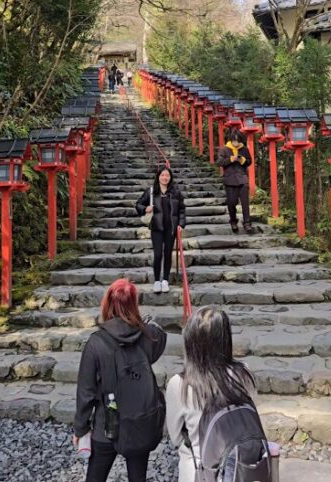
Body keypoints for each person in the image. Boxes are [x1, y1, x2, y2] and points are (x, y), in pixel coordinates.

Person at [73, 279, 168, 482]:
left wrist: (81, 428)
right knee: (137, 477)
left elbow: (86, 392)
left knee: (95, 477)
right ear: (134, 304)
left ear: (107, 303)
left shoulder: (96, 344)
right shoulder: (148, 336)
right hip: (140, 421)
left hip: (106, 423)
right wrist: (142, 321)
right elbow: (161, 335)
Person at [166, 307, 271, 482]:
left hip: (198, 472)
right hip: (240, 469)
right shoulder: (243, 373)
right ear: (225, 338)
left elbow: (176, 437)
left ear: (190, 341)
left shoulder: (179, 385)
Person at [135, 165, 186, 293]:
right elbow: (138, 204)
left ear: (170, 177)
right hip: (156, 228)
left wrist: (181, 224)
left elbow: (182, 209)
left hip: (171, 228)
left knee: (168, 254)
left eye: (167, 175)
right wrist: (144, 209)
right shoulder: (151, 191)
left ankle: (165, 281)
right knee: (158, 255)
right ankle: (157, 280)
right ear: (158, 177)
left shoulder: (175, 192)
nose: (165, 178)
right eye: (162, 175)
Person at [216, 128, 253, 234]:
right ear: (231, 140)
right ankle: (233, 221)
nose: (236, 143)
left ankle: (247, 223)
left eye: (238, 140)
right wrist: (230, 160)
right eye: (234, 140)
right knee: (231, 202)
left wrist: (244, 161)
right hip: (230, 179)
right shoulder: (224, 149)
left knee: (245, 202)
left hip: (242, 178)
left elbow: (249, 161)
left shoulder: (244, 149)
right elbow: (219, 162)